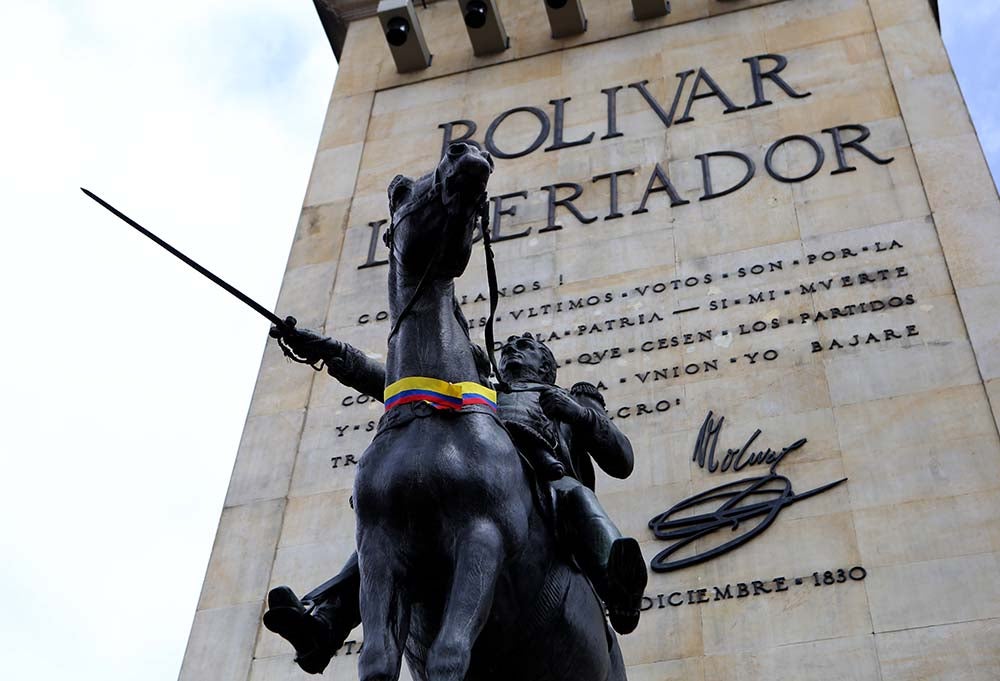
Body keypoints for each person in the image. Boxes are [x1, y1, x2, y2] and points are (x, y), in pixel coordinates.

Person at [263, 328, 647, 674]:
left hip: (541, 477)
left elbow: (621, 459)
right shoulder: (476, 390)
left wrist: (578, 414)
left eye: (525, 347)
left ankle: (617, 581)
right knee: (386, 533)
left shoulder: (561, 397)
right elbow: (397, 384)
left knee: (575, 495)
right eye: (509, 346)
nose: (512, 349)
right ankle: (324, 624)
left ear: (546, 367)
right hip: (478, 481)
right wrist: (333, 352)